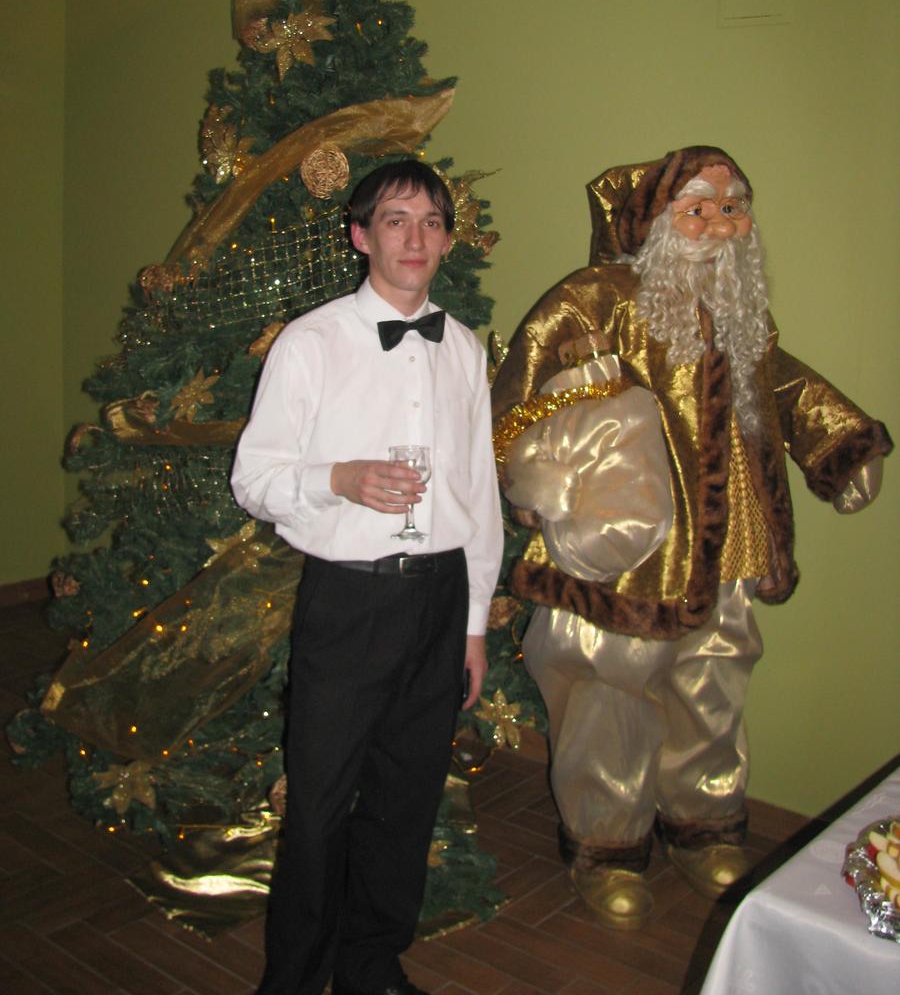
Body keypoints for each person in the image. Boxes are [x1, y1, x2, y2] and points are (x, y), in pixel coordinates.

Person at [491, 145, 891, 929]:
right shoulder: (596, 297)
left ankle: (703, 824)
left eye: (733, 207)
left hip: (730, 545)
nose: (720, 225)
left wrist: (839, 444)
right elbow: (520, 385)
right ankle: (606, 845)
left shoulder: (739, 309)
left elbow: (780, 380)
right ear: (655, 223)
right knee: (611, 698)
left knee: (713, 688)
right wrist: (529, 480)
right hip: (631, 555)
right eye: (699, 209)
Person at [231, 159, 503, 995]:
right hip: (349, 601)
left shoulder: (464, 349)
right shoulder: (310, 343)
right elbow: (253, 479)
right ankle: (293, 980)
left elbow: (479, 494)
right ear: (360, 235)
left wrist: (473, 625)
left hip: (440, 596)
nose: (415, 238)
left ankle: (370, 967)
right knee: (318, 807)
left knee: (405, 799)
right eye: (394, 220)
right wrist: (339, 479)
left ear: (447, 240)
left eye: (431, 222)